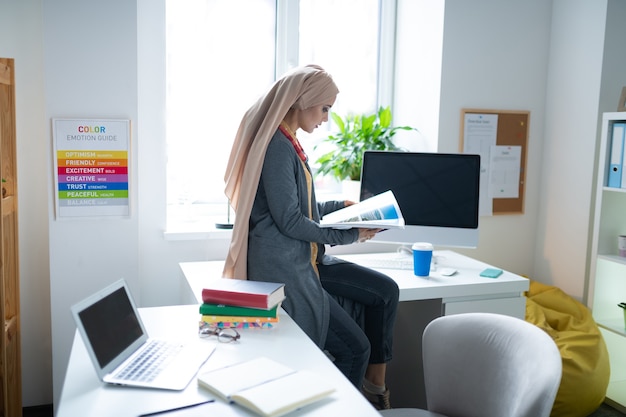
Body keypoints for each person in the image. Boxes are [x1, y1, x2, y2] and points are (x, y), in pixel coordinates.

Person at [222, 64, 399, 410]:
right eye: (324, 109)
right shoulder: (278, 146)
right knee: (354, 349)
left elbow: (297, 205)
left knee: (358, 338)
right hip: (284, 268)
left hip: (296, 261)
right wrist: (350, 236)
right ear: (303, 101)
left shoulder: (287, 142)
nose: (325, 119)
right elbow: (289, 220)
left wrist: (340, 206)